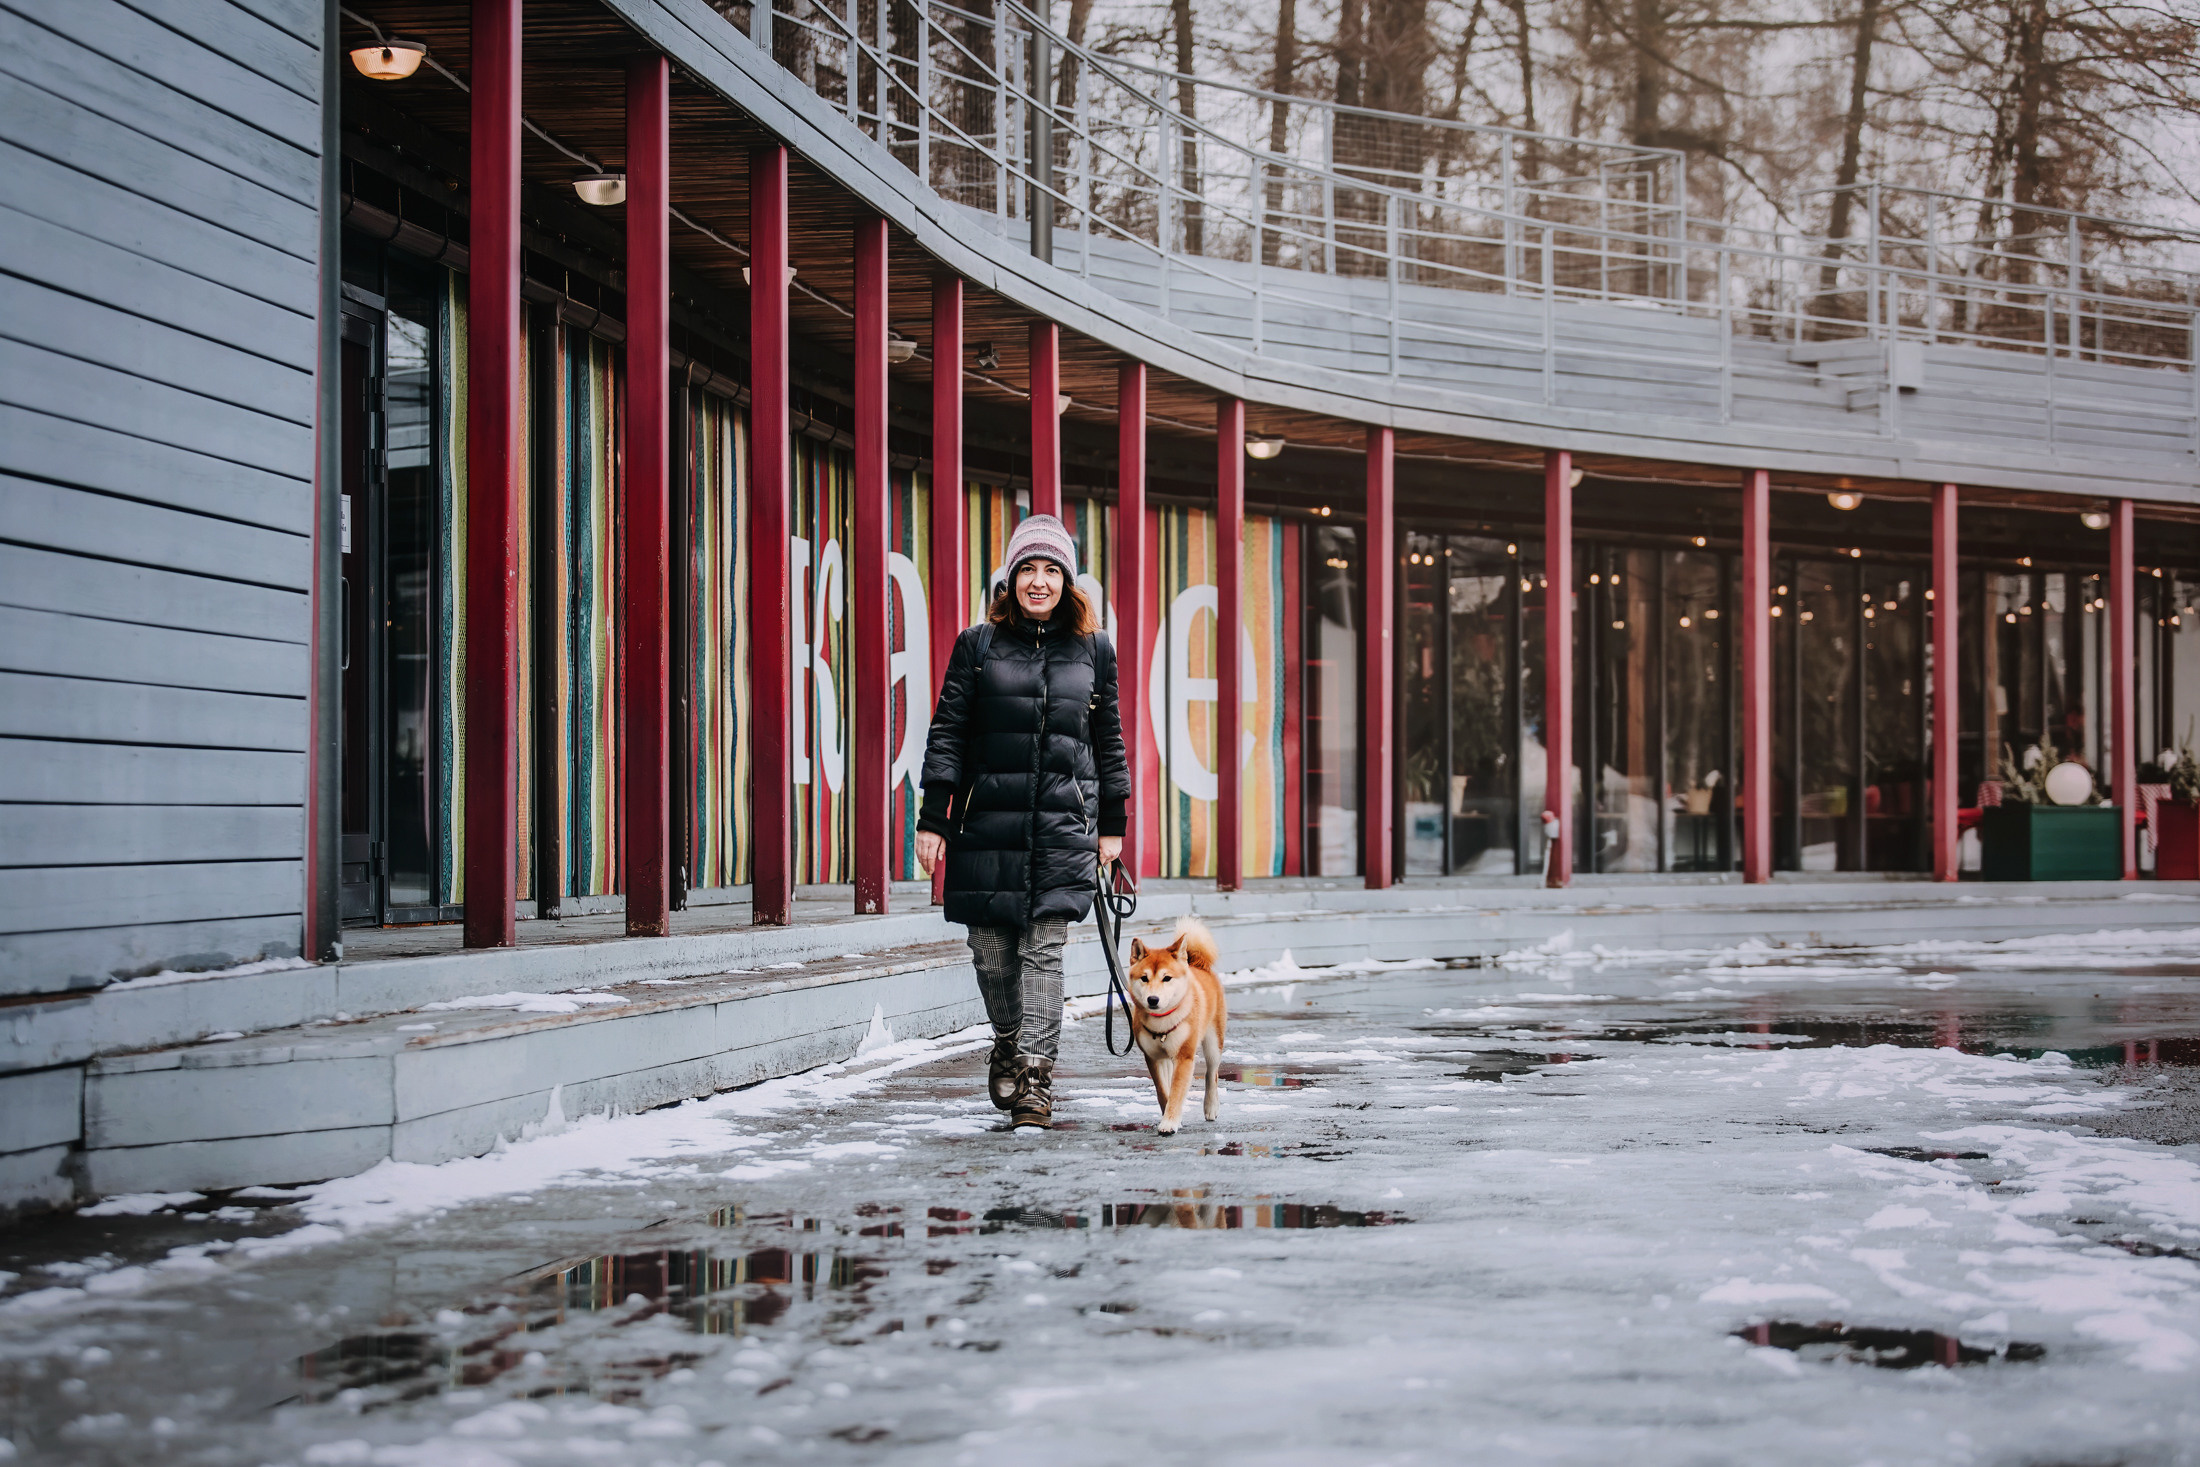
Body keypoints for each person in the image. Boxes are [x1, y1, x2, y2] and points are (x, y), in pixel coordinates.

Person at [914, 514, 1129, 1129]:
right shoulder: (977, 646)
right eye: (1028, 569)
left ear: (1068, 579)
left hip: (1065, 825)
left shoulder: (1094, 649)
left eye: (1051, 570)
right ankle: (1007, 1037)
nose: (1040, 581)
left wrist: (1111, 822)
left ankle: (1036, 1076)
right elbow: (948, 733)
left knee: (1044, 949)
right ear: (1010, 580)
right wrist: (935, 816)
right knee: (990, 951)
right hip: (987, 825)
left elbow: (1108, 740)